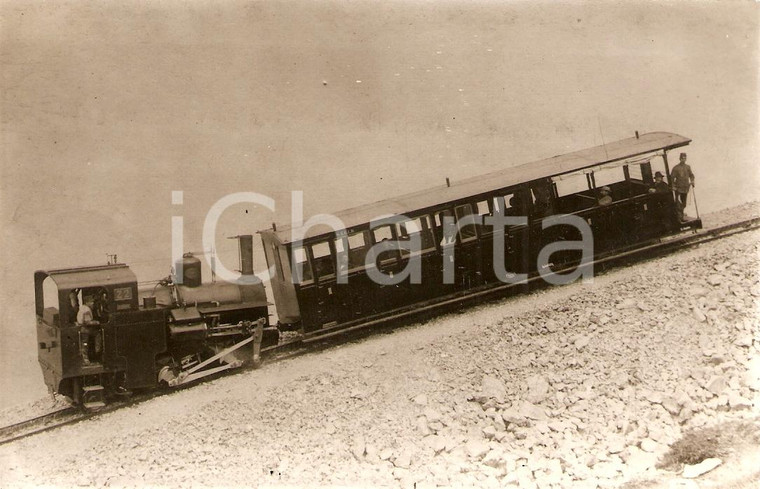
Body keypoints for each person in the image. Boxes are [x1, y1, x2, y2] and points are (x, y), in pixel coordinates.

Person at [77, 296, 101, 365]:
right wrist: (97, 322)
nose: (93, 303)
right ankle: (96, 352)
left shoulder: (83, 308)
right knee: (97, 335)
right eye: (91, 302)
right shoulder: (86, 310)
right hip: (86, 330)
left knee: (85, 344)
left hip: (84, 329)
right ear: (87, 302)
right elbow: (87, 322)